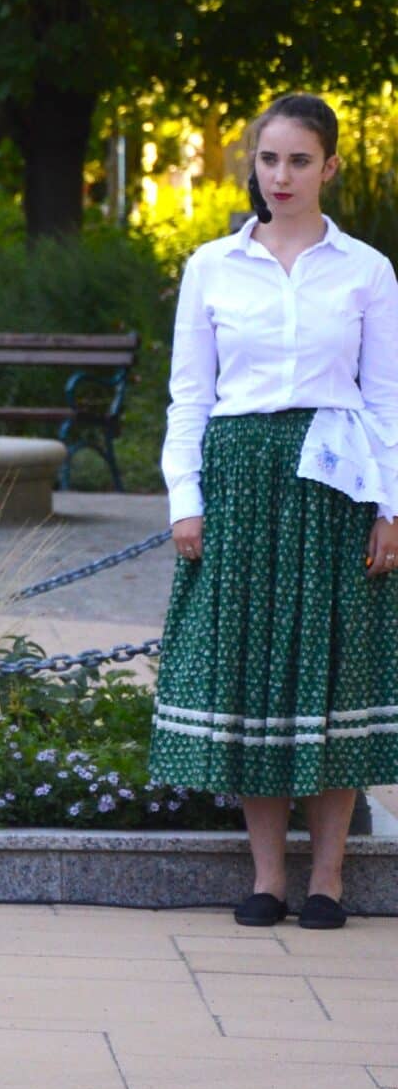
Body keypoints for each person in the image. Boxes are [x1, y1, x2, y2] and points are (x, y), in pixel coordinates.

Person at [155, 92, 398, 930]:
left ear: (330, 166)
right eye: (269, 159)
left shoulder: (366, 269)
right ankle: (266, 878)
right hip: (240, 480)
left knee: (334, 677)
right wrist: (186, 499)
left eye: (299, 159)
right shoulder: (212, 266)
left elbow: (386, 398)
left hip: (335, 483)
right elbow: (190, 394)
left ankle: (327, 879)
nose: (281, 175)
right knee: (253, 677)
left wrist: (391, 507)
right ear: (252, 165)